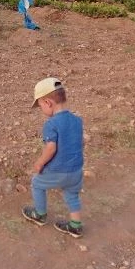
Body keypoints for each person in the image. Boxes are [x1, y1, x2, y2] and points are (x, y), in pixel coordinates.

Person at [22, 77, 85, 237]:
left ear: (48, 103)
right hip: (76, 170)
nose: (41, 109)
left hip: (58, 170)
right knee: (72, 193)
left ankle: (40, 214)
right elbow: (80, 142)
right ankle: (75, 225)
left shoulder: (51, 124)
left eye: (40, 105)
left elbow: (51, 148)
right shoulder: (77, 120)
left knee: (37, 183)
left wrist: (39, 163)